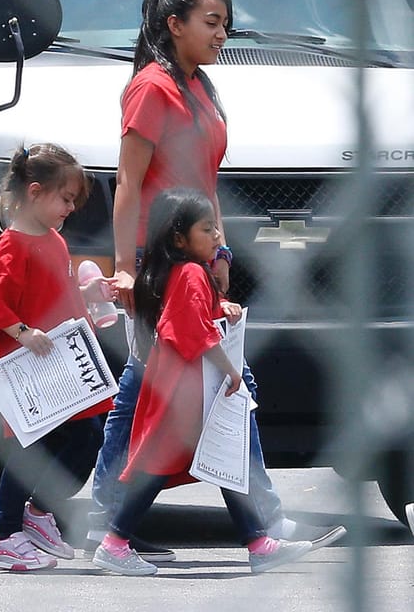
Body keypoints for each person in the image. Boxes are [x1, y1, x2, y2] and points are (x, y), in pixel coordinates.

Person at [87, 0, 345, 559]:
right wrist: (125, 267)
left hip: (193, 257)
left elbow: (206, 182)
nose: (223, 34)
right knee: (218, 385)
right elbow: (127, 185)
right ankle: (261, 524)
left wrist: (220, 250)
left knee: (144, 384)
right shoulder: (152, 88)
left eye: (225, 22)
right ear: (174, 25)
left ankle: (110, 516)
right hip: (161, 267)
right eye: (211, 22)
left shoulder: (201, 85)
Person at [92, 188, 314, 576]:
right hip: (185, 392)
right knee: (165, 466)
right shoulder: (193, 272)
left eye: (215, 227)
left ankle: (258, 543)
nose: (216, 235)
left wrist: (221, 306)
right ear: (179, 238)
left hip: (185, 390)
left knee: (225, 460)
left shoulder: (182, 272)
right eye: (207, 228)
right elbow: (191, 329)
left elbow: (198, 312)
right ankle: (115, 542)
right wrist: (229, 367)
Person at [0, 144, 114, 571]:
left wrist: (88, 295)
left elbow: (58, 294)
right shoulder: (11, 246)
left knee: (88, 433)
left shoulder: (52, 240)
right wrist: (23, 332)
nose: (70, 208)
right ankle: (5, 534)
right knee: (32, 445)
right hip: (31, 369)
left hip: (62, 366)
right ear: (35, 192)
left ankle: (37, 510)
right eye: (65, 198)